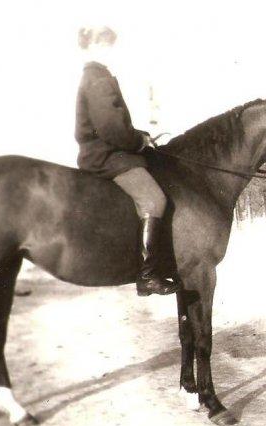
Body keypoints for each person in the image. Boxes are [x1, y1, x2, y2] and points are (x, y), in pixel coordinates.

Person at [74, 25, 179, 297]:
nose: (111, 50)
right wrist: (138, 142)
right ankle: (148, 276)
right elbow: (111, 128)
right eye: (106, 45)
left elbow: (115, 125)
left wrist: (140, 136)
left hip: (107, 150)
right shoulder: (98, 77)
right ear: (93, 47)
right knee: (154, 200)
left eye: (111, 45)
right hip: (106, 155)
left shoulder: (97, 76)